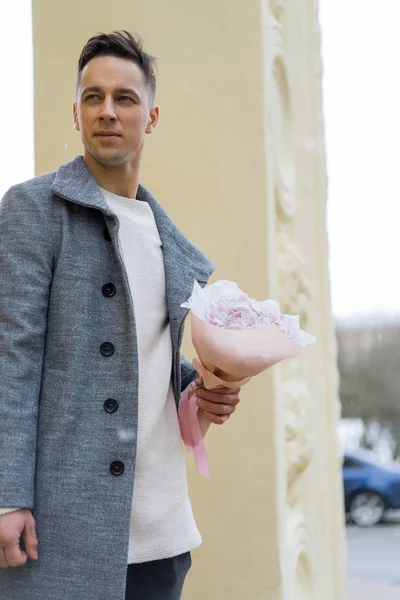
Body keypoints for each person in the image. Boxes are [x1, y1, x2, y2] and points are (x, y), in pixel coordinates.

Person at [0, 30, 240, 600]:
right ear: (77, 112)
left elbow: (145, 365)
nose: (108, 110)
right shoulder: (34, 210)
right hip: (64, 531)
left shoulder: (169, 243)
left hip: (162, 533)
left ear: (151, 116)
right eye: (93, 97)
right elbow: (12, 356)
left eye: (125, 98)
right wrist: (8, 496)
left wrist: (204, 390)